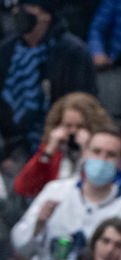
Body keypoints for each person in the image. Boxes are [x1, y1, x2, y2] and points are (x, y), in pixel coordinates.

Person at [10, 126, 121, 260]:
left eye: (110, 155)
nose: (102, 159)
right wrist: (39, 224)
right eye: (96, 152)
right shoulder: (55, 190)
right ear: (85, 154)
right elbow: (20, 247)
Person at [0, 0, 97, 162]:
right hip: (13, 146)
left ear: (46, 15)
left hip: (60, 143)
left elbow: (83, 102)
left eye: (28, 8)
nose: (19, 13)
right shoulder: (6, 50)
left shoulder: (72, 52)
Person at [13, 92, 114, 199]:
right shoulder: (51, 151)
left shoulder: (105, 151)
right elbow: (23, 188)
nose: (73, 131)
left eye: (80, 126)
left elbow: (98, 184)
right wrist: (48, 152)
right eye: (68, 125)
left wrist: (88, 150)